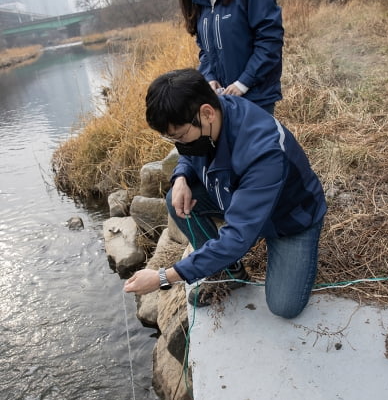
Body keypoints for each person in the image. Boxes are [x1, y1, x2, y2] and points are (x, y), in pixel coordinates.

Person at [124, 69, 327, 319]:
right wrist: (181, 177)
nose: (180, 144)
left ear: (207, 113)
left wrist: (163, 276)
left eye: (180, 136)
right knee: (175, 199)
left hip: (289, 218)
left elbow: (238, 236)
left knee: (284, 306)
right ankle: (230, 273)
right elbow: (189, 154)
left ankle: (287, 253)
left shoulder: (263, 151)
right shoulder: (212, 114)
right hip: (236, 197)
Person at [169, 0, 284, 114]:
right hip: (225, 100)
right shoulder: (202, 2)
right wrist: (209, 77)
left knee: (259, 143)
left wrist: (244, 82)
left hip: (257, 98)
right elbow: (206, 52)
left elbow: (269, 42)